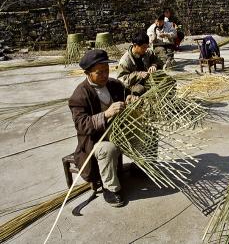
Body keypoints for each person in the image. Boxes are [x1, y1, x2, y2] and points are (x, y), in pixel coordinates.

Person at [69, 49, 136, 207]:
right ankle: (111, 188)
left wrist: (130, 98)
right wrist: (105, 114)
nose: (105, 75)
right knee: (108, 149)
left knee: (149, 132)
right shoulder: (79, 95)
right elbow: (81, 124)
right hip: (95, 141)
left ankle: (142, 166)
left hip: (119, 132)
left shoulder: (113, 84)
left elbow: (127, 92)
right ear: (88, 73)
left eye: (107, 71)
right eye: (100, 73)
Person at [117, 31, 163, 95]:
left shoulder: (147, 52)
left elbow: (158, 60)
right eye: (143, 47)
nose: (145, 49)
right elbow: (121, 80)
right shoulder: (125, 61)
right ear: (135, 45)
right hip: (133, 84)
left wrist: (154, 65)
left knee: (166, 80)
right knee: (140, 89)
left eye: (147, 47)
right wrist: (138, 75)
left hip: (147, 80)